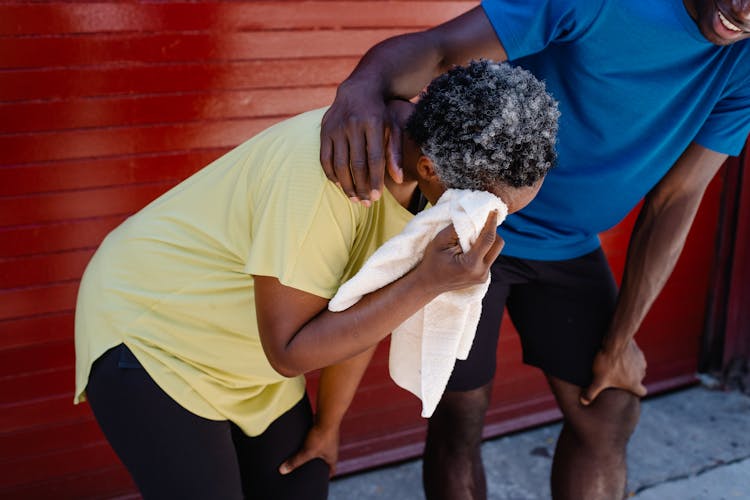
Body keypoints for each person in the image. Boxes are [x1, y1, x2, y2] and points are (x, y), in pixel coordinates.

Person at [318, 1, 750, 499]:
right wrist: (361, 87)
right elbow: (438, 51)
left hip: (567, 245)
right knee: (459, 412)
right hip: (469, 226)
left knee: (609, 408)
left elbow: (677, 198)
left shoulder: (741, 63)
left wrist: (620, 340)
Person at [73, 60, 559, 499]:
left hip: (248, 356)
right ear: (431, 168)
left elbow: (360, 311)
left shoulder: (425, 193)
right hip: (155, 337)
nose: (495, 225)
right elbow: (289, 353)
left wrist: (328, 424)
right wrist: (426, 283)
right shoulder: (328, 176)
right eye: (494, 208)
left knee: (302, 485)